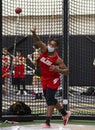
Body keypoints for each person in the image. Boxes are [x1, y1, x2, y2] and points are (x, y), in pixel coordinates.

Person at [31, 26, 71, 127]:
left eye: (53, 45)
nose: (50, 46)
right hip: (44, 78)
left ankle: (47, 122)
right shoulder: (44, 50)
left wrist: (58, 70)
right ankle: (65, 114)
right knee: (50, 98)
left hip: (54, 79)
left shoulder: (58, 59)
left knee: (49, 99)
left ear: (56, 47)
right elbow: (38, 41)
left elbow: (67, 71)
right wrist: (34, 33)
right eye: (50, 44)